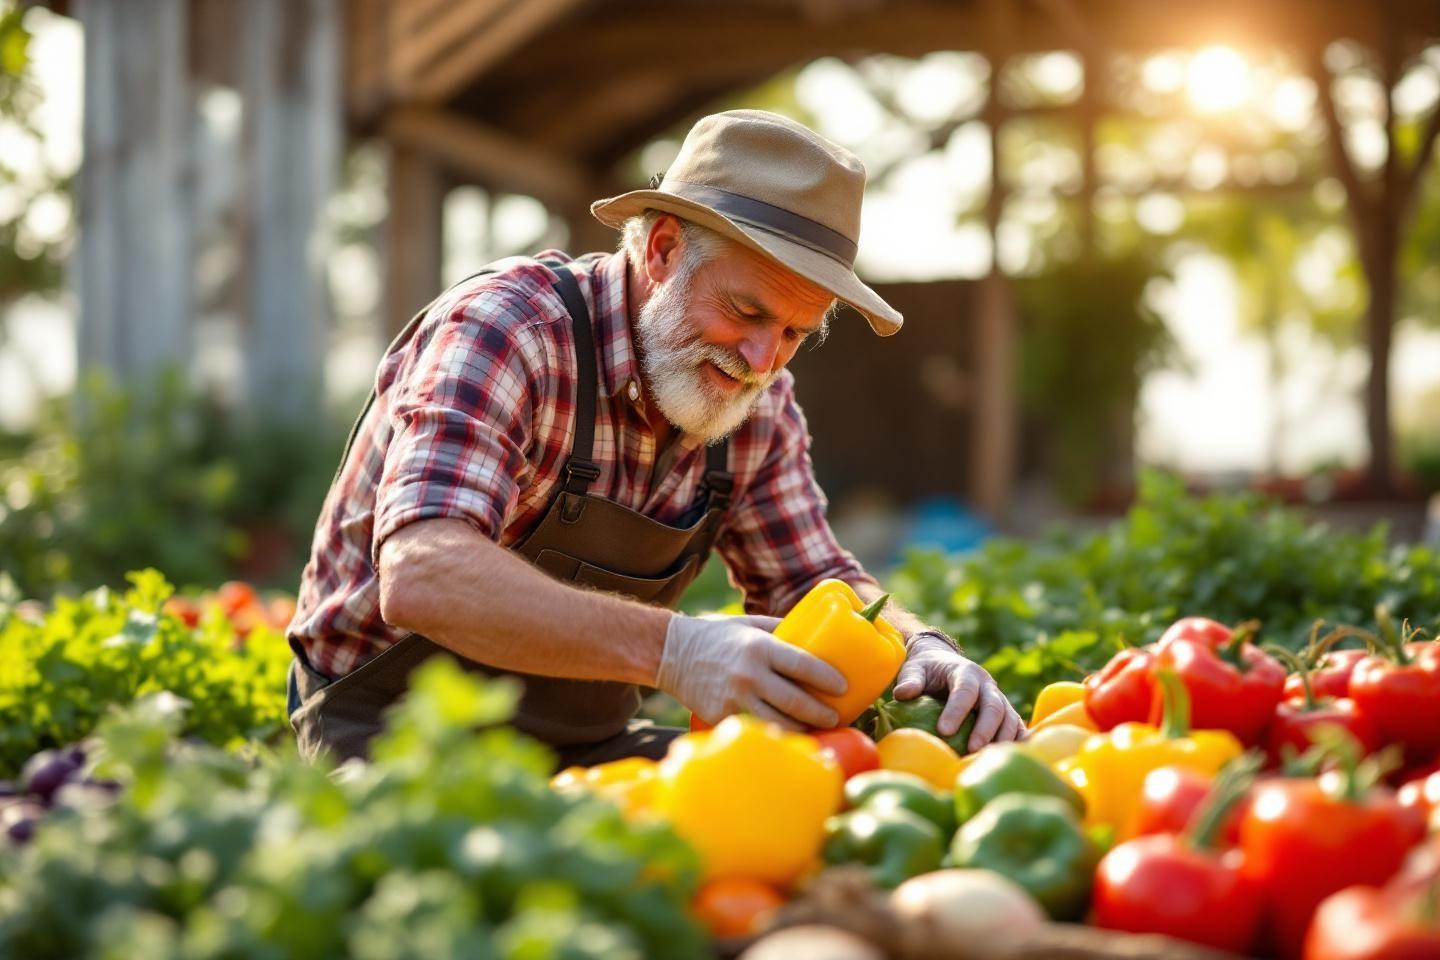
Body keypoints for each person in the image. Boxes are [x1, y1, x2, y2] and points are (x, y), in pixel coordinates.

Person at [286, 109, 1025, 767]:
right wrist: (676, 648)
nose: (761, 360)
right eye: (746, 310)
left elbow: (811, 578)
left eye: (795, 332)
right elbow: (426, 574)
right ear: (665, 249)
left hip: (584, 751)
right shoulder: (509, 332)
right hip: (392, 744)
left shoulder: (754, 407)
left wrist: (917, 646)